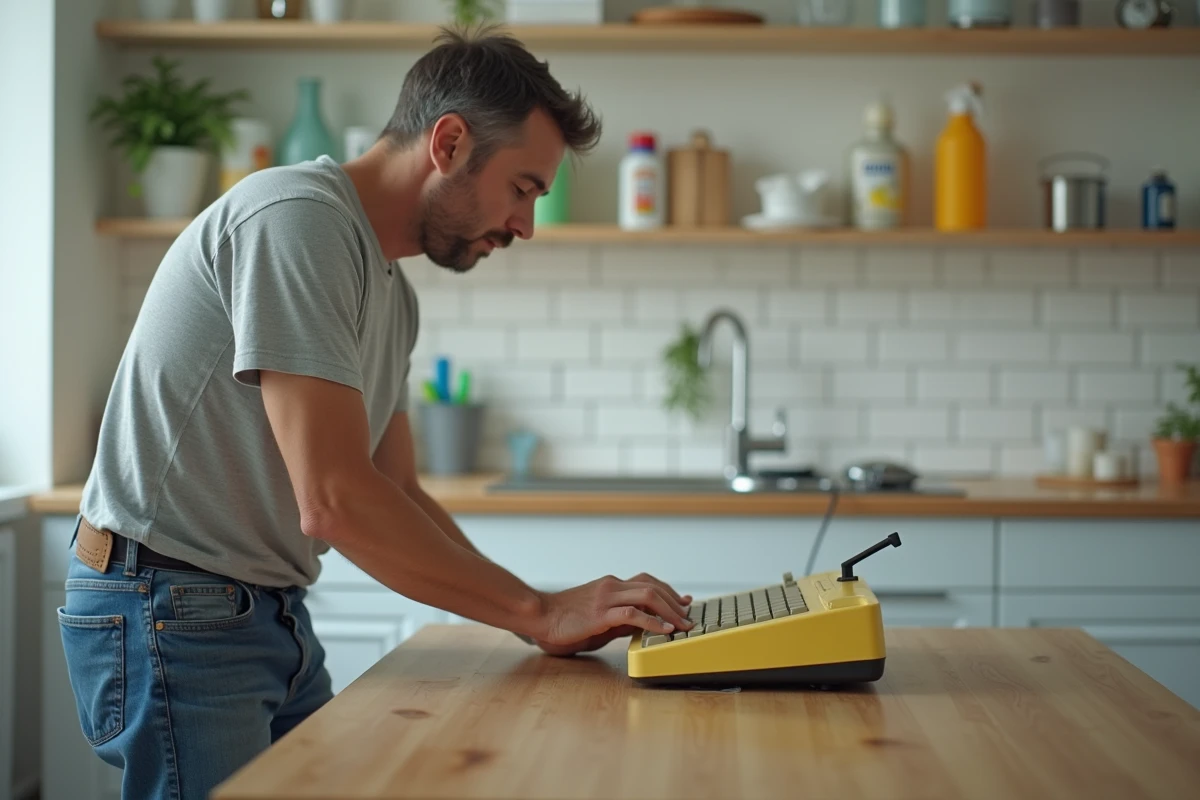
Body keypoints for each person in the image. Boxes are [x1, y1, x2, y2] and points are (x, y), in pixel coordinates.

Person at [60, 25, 694, 800]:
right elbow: (333, 501)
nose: (525, 225)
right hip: (171, 606)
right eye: (523, 188)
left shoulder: (391, 290)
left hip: (261, 610)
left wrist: (538, 614)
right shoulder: (295, 218)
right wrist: (537, 611)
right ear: (450, 143)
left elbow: (396, 492)